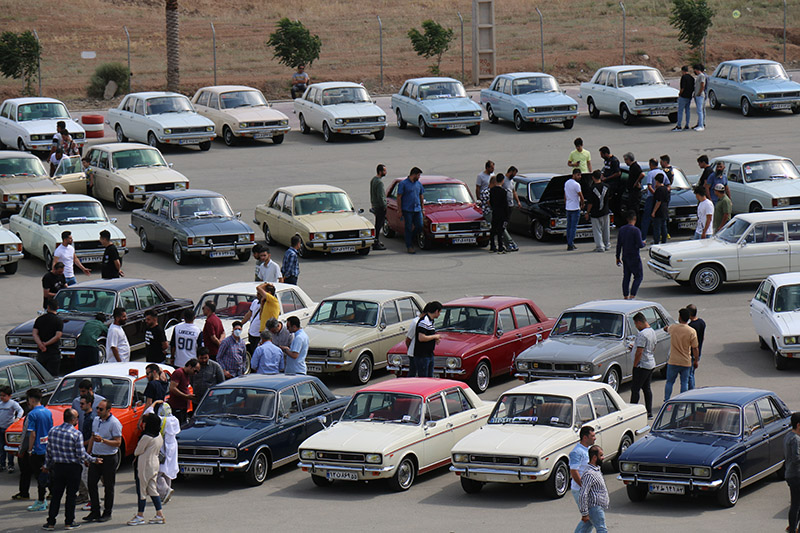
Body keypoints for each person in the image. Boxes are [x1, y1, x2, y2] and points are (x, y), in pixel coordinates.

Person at [42, 408, 102, 531]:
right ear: (74, 420)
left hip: (58, 467)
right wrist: (93, 460)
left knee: (56, 495)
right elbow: (81, 454)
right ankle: (69, 521)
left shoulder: (53, 431)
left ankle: (51, 522)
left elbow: (49, 451)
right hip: (73, 468)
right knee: (71, 496)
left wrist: (46, 466)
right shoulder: (76, 434)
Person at [84, 399, 121, 523]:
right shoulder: (96, 420)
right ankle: (95, 510)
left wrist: (103, 441)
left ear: (108, 410)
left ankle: (107, 512)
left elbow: (118, 442)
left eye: (101, 409)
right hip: (96, 456)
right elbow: (92, 438)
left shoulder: (114, 423)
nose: (98, 411)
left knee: (108, 486)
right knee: (91, 483)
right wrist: (88, 455)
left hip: (109, 458)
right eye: (97, 408)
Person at [128, 412, 165, 526]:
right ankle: (159, 514)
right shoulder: (158, 435)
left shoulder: (146, 437)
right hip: (154, 463)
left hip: (144, 465)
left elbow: (137, 451)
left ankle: (140, 515)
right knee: (152, 489)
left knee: (142, 491)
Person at [25, 388, 53, 512]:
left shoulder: (32, 414)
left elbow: (32, 434)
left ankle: (41, 501)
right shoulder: (48, 412)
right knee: (47, 474)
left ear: (31, 399)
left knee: (39, 476)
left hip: (37, 450)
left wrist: (30, 450)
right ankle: (47, 497)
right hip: (47, 449)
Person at [663, 308, 699, 401]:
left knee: (669, 382)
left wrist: (666, 328)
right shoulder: (691, 331)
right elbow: (695, 347)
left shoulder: (673, 327)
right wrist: (696, 360)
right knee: (684, 383)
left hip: (673, 360)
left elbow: (666, 329)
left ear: (680, 317)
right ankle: (683, 401)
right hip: (685, 361)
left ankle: (666, 400)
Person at [146, 401, 179, 504]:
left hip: (162, 448)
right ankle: (165, 496)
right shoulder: (175, 420)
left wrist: (154, 403)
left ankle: (165, 491)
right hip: (173, 448)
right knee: (167, 472)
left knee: (157, 473)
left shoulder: (160, 420)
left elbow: (147, 413)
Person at [629, 312, 656, 418]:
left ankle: (632, 412)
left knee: (635, 389)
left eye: (635, 324)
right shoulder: (652, 331)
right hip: (650, 362)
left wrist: (635, 365)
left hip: (642, 365)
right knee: (647, 388)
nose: (636, 327)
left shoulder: (642, 334)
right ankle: (649, 412)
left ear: (639, 322)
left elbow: (639, 351)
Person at [577, 445, 609, 533]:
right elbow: (583, 494)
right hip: (595, 508)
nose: (603, 457)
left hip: (596, 508)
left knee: (584, 530)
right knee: (602, 529)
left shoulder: (596, 470)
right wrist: (584, 513)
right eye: (601, 455)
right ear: (594, 457)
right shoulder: (589, 474)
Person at [616, 211, 645, 300]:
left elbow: (619, 244)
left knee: (626, 276)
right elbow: (640, 244)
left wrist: (617, 257)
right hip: (634, 256)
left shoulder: (622, 229)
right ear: (635, 219)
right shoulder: (636, 230)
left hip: (625, 256)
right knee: (638, 276)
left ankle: (625, 295)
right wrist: (644, 243)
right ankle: (632, 295)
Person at [397, 167, 425, 254]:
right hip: (407, 209)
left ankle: (410, 238)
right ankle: (409, 246)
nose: (419, 177)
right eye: (418, 175)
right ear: (414, 174)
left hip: (417, 209)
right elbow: (399, 197)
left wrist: (422, 208)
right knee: (408, 227)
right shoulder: (403, 184)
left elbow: (421, 196)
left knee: (420, 226)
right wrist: (400, 210)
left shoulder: (418, 184)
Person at [33, 298, 64, 376]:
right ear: (57, 308)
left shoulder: (39, 319)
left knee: (41, 375)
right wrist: (46, 344)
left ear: (48, 307)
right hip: (53, 352)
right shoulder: (58, 321)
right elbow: (57, 336)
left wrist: (40, 344)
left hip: (41, 352)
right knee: (53, 375)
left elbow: (34, 333)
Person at [569, 426, 596, 508]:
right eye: (592, 436)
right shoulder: (576, 452)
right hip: (580, 490)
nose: (595, 438)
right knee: (593, 516)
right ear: (585, 437)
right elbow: (574, 472)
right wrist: (584, 487)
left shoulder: (587, 450)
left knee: (591, 517)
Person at [414, 301, 443, 378]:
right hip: (422, 356)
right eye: (439, 312)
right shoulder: (424, 321)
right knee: (424, 378)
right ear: (436, 311)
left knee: (430, 377)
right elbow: (421, 337)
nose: (439, 314)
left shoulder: (431, 321)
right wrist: (435, 337)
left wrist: (434, 339)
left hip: (429, 354)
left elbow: (428, 335)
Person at [640, 159, 666, 241]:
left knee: (647, 218)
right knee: (662, 221)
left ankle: (643, 238)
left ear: (651, 164)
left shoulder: (650, 173)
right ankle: (663, 239)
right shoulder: (663, 172)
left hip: (652, 198)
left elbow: (649, 187)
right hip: (662, 199)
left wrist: (656, 194)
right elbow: (668, 184)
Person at [167, 359, 199, 425]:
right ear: (190, 366)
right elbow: (172, 388)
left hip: (183, 407)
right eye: (195, 371)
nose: (195, 373)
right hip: (177, 407)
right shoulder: (179, 373)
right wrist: (185, 396)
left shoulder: (187, 375)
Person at [585, 170, 610, 253]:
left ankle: (600, 246)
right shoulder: (607, 186)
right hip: (605, 211)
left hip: (595, 213)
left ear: (593, 177)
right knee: (606, 229)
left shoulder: (592, 189)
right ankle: (607, 244)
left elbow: (590, 203)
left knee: (597, 230)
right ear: (601, 176)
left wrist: (587, 212)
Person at [0, 385, 23, 473]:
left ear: (9, 396)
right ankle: (2, 464)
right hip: (1, 428)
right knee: (1, 447)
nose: (2, 397)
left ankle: (10, 465)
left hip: (8, 429)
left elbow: (20, 410)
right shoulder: (0, 404)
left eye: (4, 395)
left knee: (9, 448)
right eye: (1, 395)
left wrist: (17, 419)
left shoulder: (12, 403)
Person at [784, 412, 800, 533]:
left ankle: (793, 526)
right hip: (796, 475)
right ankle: (793, 528)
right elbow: (796, 458)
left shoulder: (788, 436)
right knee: (796, 504)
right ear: (798, 425)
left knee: (796, 503)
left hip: (790, 474)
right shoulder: (795, 440)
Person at [500, 166, 521, 252]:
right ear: (510, 172)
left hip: (511, 205)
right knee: (503, 223)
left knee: (506, 222)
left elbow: (513, 191)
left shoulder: (511, 181)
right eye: (514, 174)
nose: (514, 176)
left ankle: (506, 238)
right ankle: (506, 241)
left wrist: (518, 201)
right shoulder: (503, 180)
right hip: (505, 206)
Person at [686, 304, 706, 390]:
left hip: (692, 352)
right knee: (692, 373)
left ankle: (691, 390)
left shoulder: (691, 326)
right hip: (699, 351)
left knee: (689, 374)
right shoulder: (702, 322)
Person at [489, 173, 510, 254]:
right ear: (502, 181)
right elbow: (505, 204)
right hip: (502, 213)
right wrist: (507, 215)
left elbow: (491, 202)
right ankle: (500, 246)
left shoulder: (492, 190)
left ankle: (492, 245)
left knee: (493, 229)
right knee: (500, 231)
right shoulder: (503, 192)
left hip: (495, 212)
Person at [564, 169, 584, 251]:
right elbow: (581, 196)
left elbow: (565, 195)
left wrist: (565, 204)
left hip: (568, 207)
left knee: (569, 226)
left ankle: (569, 242)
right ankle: (570, 244)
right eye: (578, 175)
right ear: (574, 174)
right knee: (573, 227)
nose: (580, 177)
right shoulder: (576, 185)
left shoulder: (567, 183)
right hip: (575, 208)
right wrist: (582, 204)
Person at [370, 164, 388, 250]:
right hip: (380, 207)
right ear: (380, 172)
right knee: (379, 224)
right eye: (384, 171)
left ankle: (376, 241)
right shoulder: (379, 183)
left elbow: (372, 194)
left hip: (375, 205)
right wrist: (384, 205)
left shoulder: (373, 180)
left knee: (377, 224)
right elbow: (381, 196)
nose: (386, 172)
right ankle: (376, 242)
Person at [673, 65, 695, 131]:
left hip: (683, 96)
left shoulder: (683, 77)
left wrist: (680, 94)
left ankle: (679, 125)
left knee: (680, 111)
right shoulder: (692, 78)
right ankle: (687, 125)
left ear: (683, 71)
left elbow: (682, 87)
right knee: (687, 110)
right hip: (689, 96)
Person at [650, 174, 669, 245]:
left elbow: (658, 201)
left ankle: (656, 241)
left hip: (659, 211)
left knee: (657, 228)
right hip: (664, 210)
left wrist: (653, 212)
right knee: (663, 226)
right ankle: (664, 240)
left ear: (657, 181)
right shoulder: (665, 189)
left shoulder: (659, 190)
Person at [693, 63, 707, 131]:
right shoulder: (699, 76)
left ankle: (701, 125)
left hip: (700, 96)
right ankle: (699, 124)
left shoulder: (701, 76)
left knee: (700, 110)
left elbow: (702, 85)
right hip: (697, 95)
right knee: (699, 110)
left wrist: (699, 93)